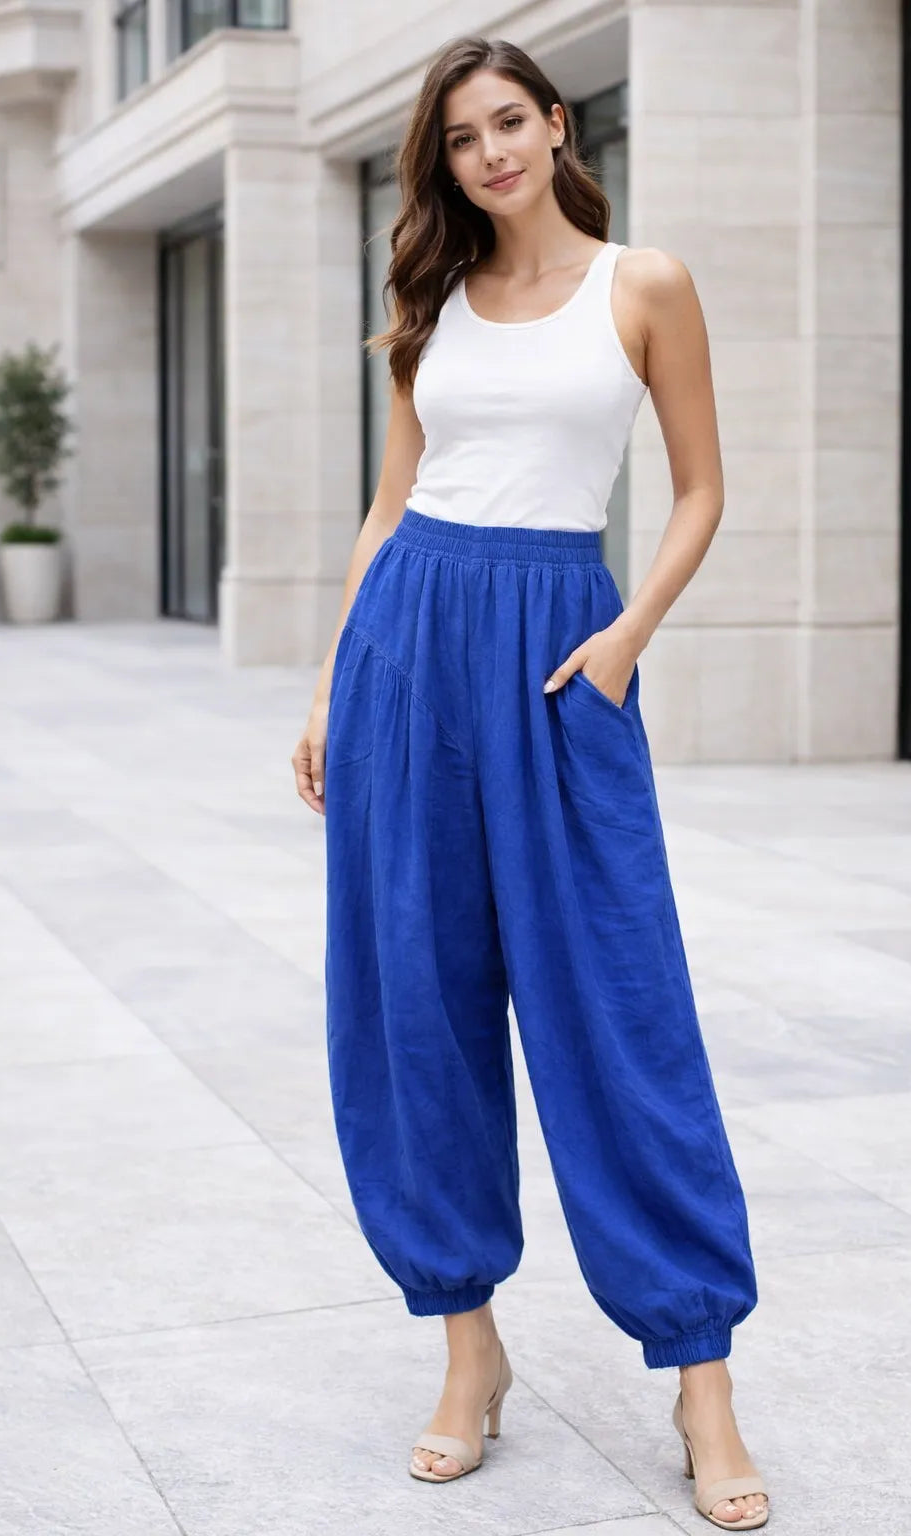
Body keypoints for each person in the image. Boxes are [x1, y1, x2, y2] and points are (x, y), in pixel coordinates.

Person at [291, 33, 769, 1532]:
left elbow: (701, 486)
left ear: (557, 125)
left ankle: (701, 1376)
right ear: (441, 162)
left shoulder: (643, 284)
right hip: (408, 653)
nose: (490, 152)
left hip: (562, 654)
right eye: (461, 137)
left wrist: (625, 640)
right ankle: (467, 1353)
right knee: (415, 1009)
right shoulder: (431, 301)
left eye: (509, 121)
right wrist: (334, 683)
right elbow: (390, 507)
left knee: (619, 1005)